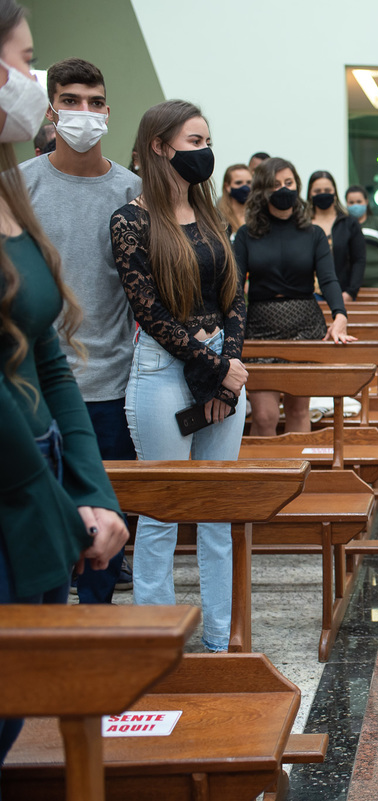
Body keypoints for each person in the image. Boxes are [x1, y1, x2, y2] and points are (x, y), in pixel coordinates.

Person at [0, 0, 128, 768]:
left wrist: (93, 489)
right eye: (23, 59)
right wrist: (56, 505)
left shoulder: (8, 193)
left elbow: (46, 350)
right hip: (11, 483)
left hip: (38, 461)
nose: (33, 79)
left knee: (15, 704)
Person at [110, 100, 247, 653]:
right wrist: (215, 369)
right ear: (160, 146)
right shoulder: (130, 220)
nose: (205, 152)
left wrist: (230, 367)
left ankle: (219, 641)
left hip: (221, 362)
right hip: (163, 369)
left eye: (207, 140)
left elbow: (236, 294)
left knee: (217, 514)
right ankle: (156, 648)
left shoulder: (212, 215)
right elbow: (147, 309)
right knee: (162, 514)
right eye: (195, 141)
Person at [20, 56, 140, 603]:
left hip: (111, 387)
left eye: (94, 103)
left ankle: (94, 651)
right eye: (71, 101)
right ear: (51, 110)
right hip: (32, 389)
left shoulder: (133, 191)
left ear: (109, 112)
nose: (83, 113)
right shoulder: (16, 187)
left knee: (104, 545)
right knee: (37, 536)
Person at [236, 157, 352, 436]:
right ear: (263, 190)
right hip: (261, 327)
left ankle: (299, 478)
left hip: (304, 326)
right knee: (265, 416)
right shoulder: (246, 234)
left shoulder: (312, 233)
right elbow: (235, 286)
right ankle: (263, 479)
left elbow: (328, 279)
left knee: (299, 411)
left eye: (289, 183)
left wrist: (340, 315)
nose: (284, 189)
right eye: (276, 184)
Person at [309, 170, 365, 303]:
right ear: (310, 194)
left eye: (327, 190)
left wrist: (351, 292)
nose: (323, 194)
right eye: (317, 191)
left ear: (335, 193)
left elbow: (359, 260)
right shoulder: (302, 224)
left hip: (342, 294)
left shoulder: (349, 223)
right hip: (308, 297)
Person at [216, 163, 251, 234]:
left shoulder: (260, 217)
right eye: (239, 183)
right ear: (227, 186)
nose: (245, 187)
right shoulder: (217, 218)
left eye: (249, 182)